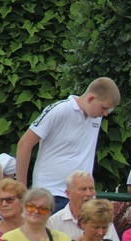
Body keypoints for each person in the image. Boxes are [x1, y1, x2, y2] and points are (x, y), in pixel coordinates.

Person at [15, 77, 121, 213]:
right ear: (90, 99)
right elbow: (24, 144)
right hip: (51, 194)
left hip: (83, 197)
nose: (106, 113)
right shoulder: (60, 110)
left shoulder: (96, 116)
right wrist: (22, 193)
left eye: (109, 110)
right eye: (104, 108)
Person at [48, 170, 123, 241]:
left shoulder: (103, 218)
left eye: (91, 188)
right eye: (83, 189)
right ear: (68, 193)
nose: (88, 193)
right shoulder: (54, 222)